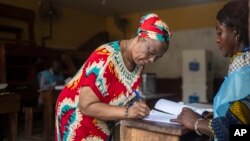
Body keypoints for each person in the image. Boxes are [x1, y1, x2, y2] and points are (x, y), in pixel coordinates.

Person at [55, 13, 171, 141]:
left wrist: (136, 106)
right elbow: (86, 106)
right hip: (77, 115)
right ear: (140, 38)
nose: (152, 60)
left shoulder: (139, 62)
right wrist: (127, 112)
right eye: (151, 52)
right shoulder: (106, 58)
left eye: (157, 57)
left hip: (103, 116)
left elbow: (127, 90)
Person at [171, 0, 250, 141]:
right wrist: (216, 116)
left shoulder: (244, 75)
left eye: (220, 33)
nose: (217, 40)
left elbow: (240, 132)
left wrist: (196, 123)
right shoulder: (240, 67)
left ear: (236, 32)